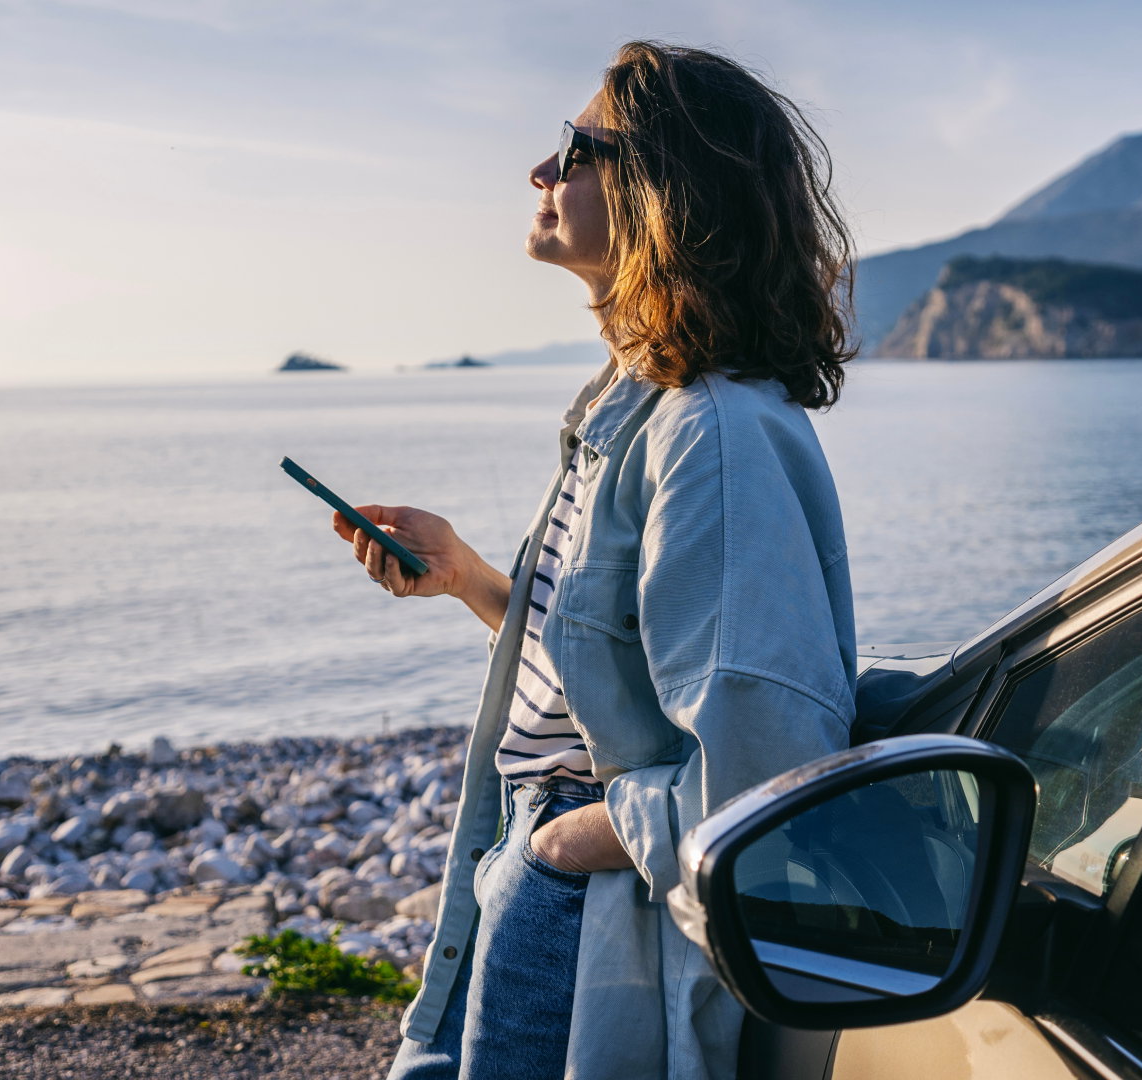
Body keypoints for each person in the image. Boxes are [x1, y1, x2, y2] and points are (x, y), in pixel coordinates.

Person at [332, 41, 860, 1080]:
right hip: (541, 868)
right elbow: (618, 673)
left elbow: (768, 771)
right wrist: (475, 581)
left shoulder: (709, 435)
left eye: (578, 148)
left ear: (666, 192)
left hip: (590, 899)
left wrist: (565, 844)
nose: (542, 171)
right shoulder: (635, 407)